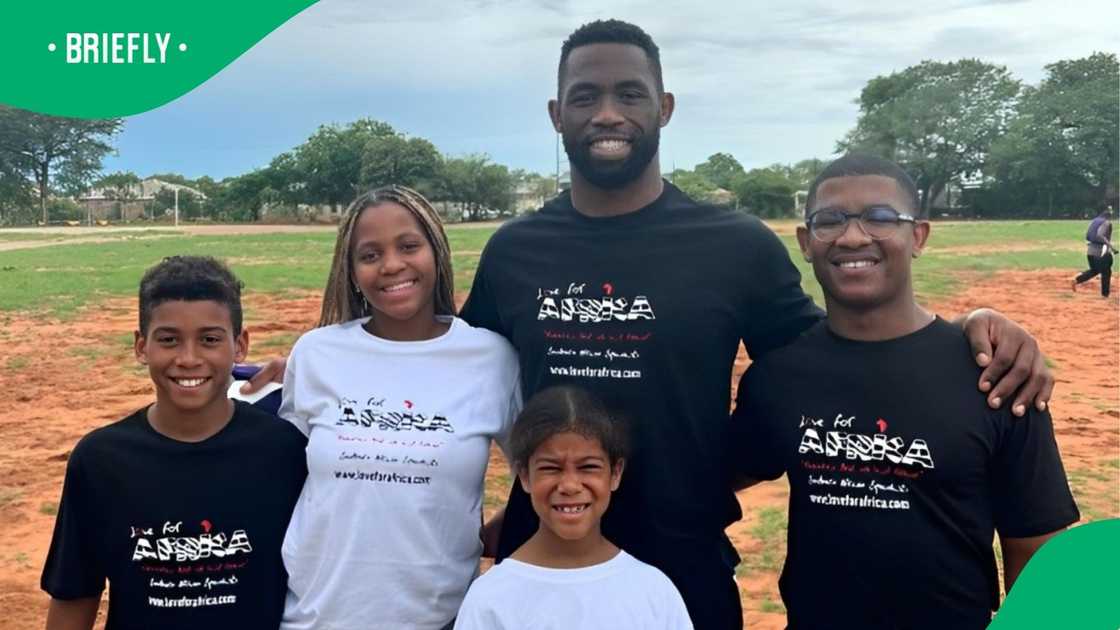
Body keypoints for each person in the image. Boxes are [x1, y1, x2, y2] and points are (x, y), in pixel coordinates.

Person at [243, 20, 1053, 629]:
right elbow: (448, 356)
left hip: (685, 560)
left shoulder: (734, 245)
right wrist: (327, 364)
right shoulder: (519, 250)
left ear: (662, 106)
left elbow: (835, 355)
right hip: (539, 561)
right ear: (557, 114)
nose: (608, 111)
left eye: (629, 93)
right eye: (586, 96)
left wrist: (974, 325)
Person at [729, 154, 1080, 629]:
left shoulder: (995, 373)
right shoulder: (780, 377)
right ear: (806, 242)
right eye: (830, 220)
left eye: (880, 218)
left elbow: (1037, 552)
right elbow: (716, 474)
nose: (853, 236)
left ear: (918, 236)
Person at [277, 185, 521, 630]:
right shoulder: (316, 354)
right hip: (314, 617)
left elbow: (538, 473)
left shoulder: (490, 358)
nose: (392, 265)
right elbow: (285, 476)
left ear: (437, 251)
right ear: (350, 270)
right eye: (369, 255)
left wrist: (478, 539)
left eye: (409, 246)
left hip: (436, 620)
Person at [41, 256, 308, 630]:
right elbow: (75, 593)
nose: (188, 359)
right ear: (140, 346)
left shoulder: (286, 449)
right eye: (168, 340)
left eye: (210, 339)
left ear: (240, 345)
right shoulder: (101, 460)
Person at [454, 386, 693, 630]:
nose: (569, 486)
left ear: (616, 473)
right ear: (524, 476)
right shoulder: (490, 598)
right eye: (550, 468)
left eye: (588, 467)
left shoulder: (654, 591)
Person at [1072, 206, 1116, 297]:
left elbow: (1088, 236)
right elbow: (1100, 235)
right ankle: (1105, 294)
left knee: (1095, 270)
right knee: (1106, 272)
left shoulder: (1095, 221)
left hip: (1090, 251)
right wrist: (1111, 246)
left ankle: (1077, 280)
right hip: (1100, 252)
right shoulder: (1106, 222)